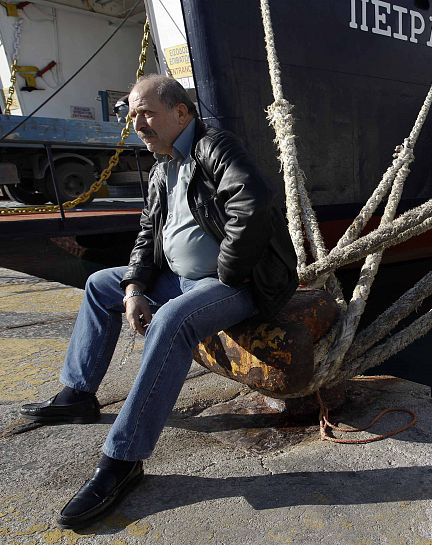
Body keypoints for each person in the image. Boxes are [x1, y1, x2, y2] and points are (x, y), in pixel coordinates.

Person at [19, 74, 298, 529]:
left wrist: (226, 273)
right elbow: (147, 235)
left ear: (181, 112)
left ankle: (123, 460)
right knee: (100, 286)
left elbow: (254, 202)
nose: (138, 123)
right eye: (132, 114)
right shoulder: (161, 166)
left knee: (171, 322)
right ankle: (77, 393)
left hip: (238, 282)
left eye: (146, 112)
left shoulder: (215, 147)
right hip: (180, 279)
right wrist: (132, 289)